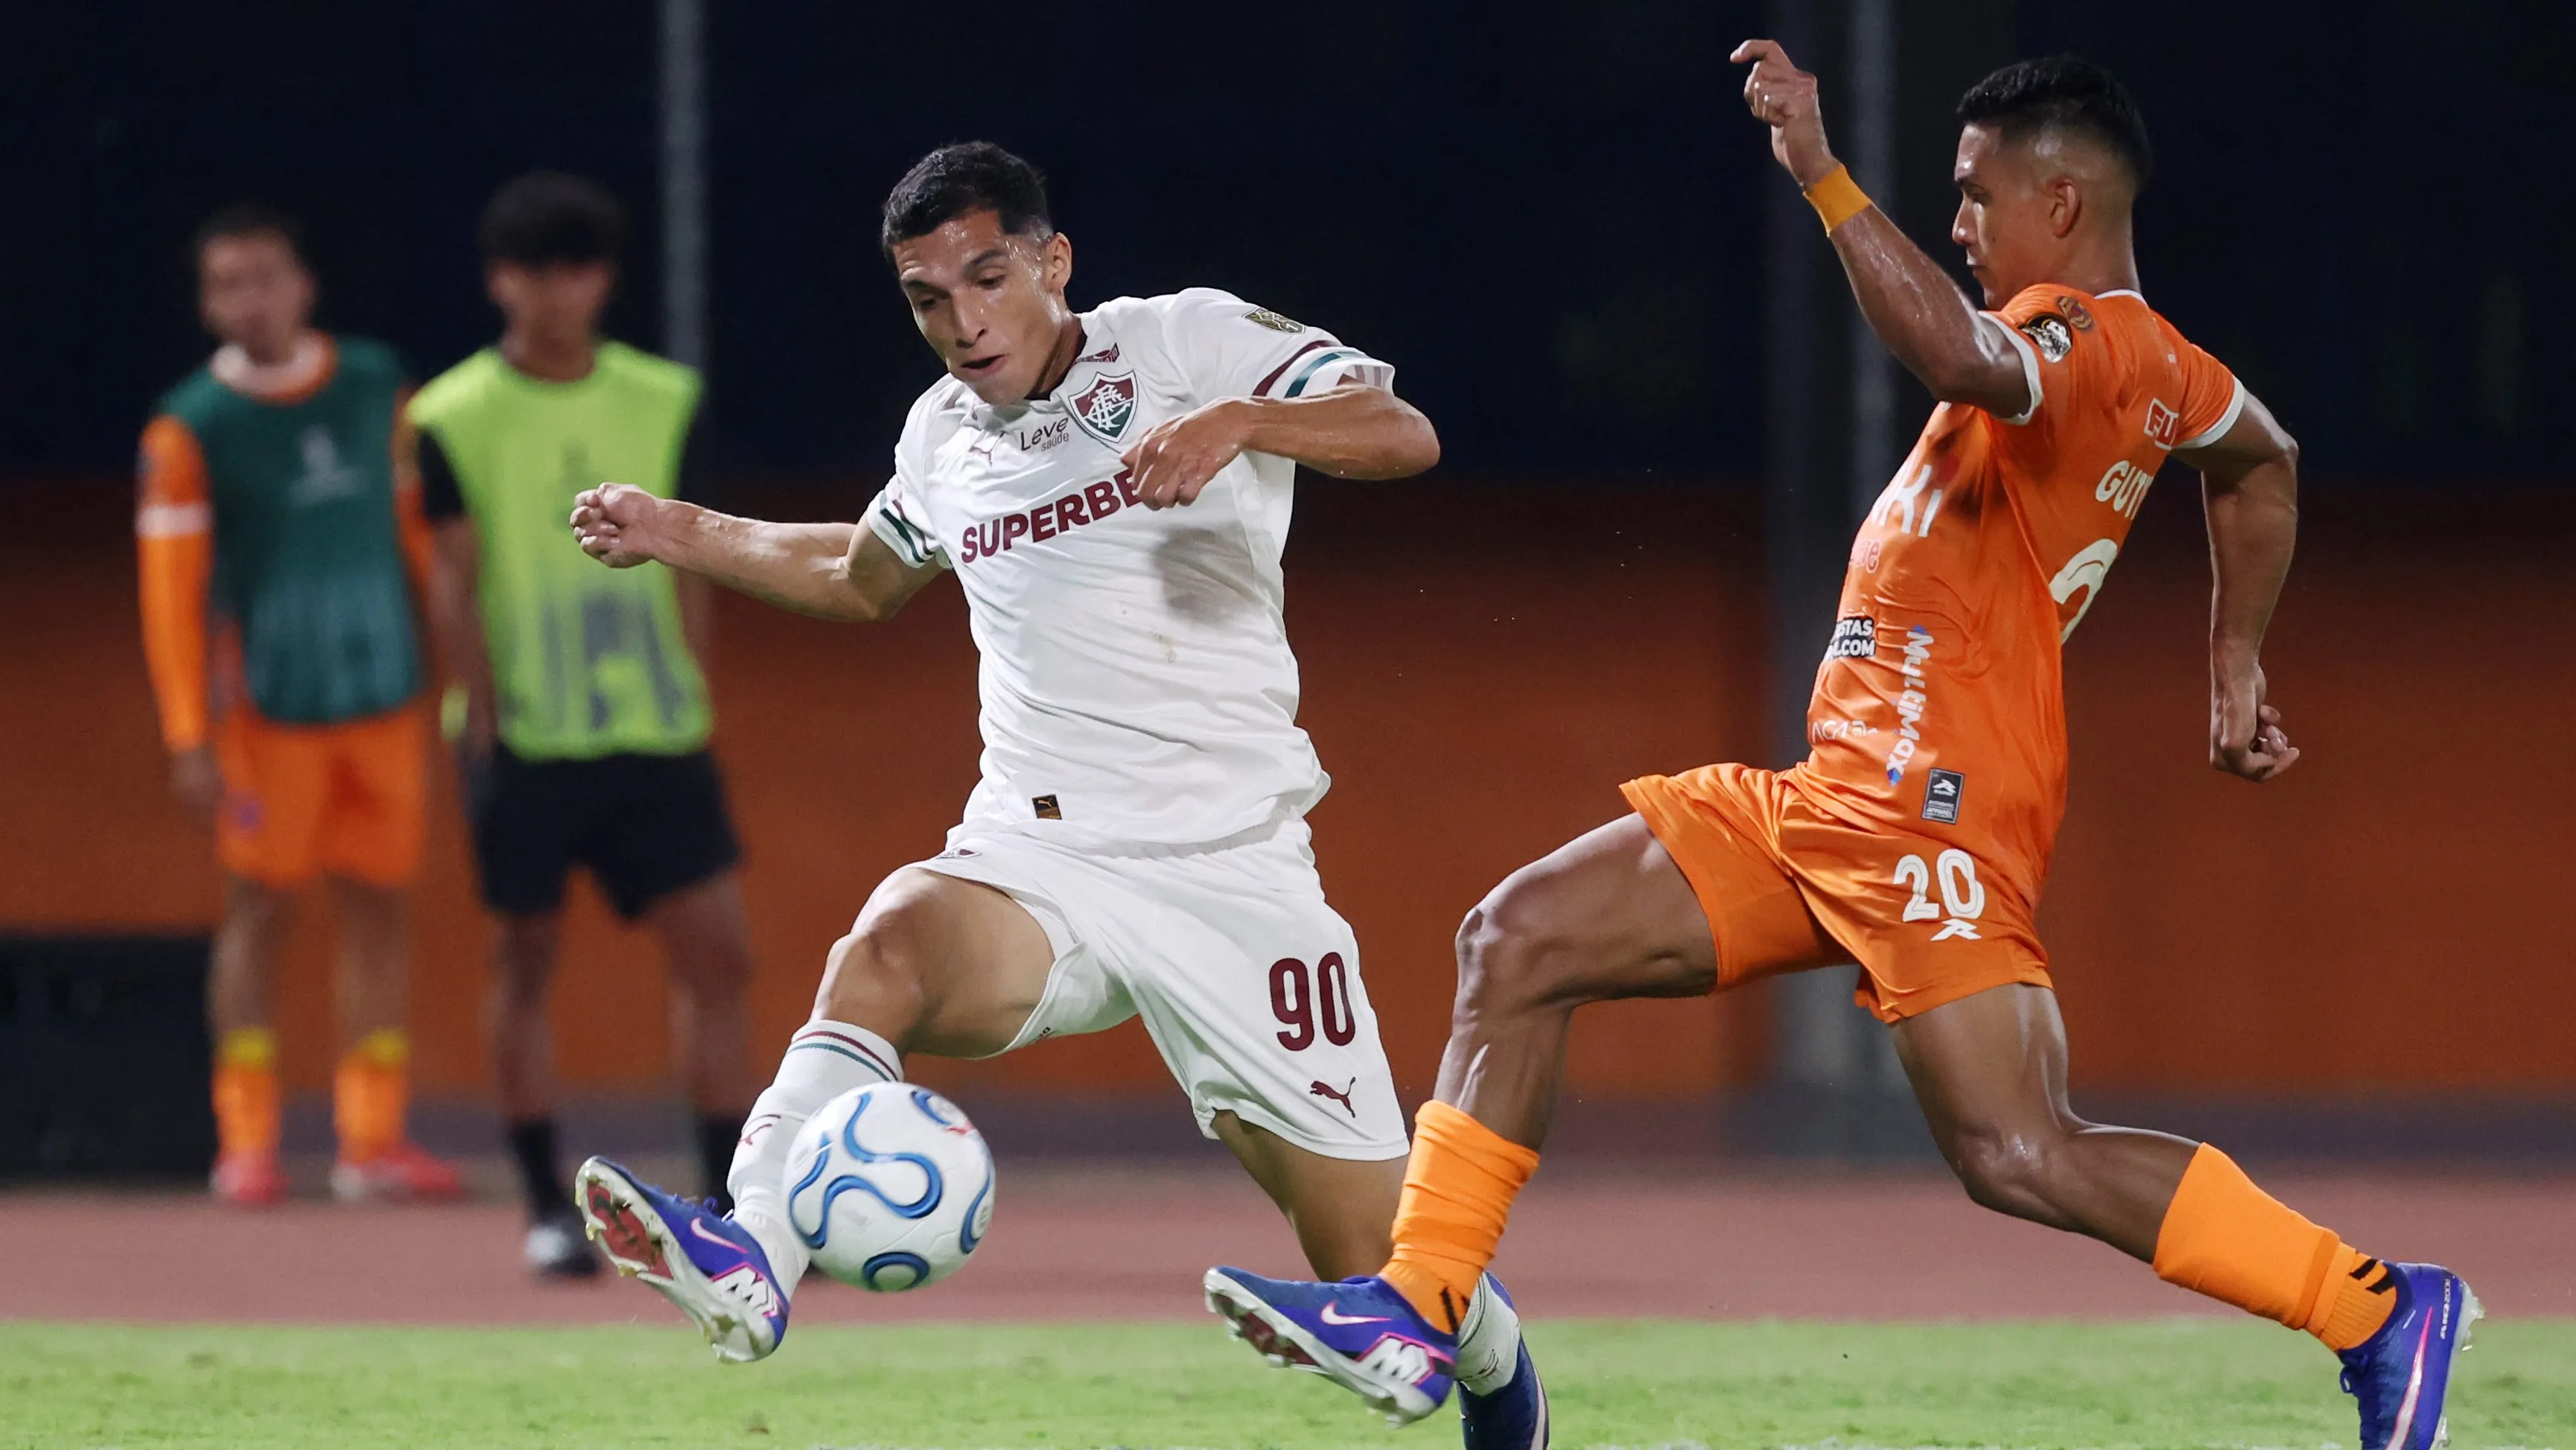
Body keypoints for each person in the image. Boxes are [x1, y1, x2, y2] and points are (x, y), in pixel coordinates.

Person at [1204, 49, 2477, 1450]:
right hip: (1836, 793)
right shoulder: (2171, 371)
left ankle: (2375, 1307)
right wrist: (2232, 660)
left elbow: (1957, 355)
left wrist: (1819, 168)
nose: (1962, 223)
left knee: (2019, 1149)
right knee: (1519, 940)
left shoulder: (2084, 338)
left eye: (1976, 194)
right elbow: (2266, 456)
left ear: (2062, 200)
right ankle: (1417, 1304)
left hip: (1936, 802)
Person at [563, 141, 1547, 1448]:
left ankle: (1500, 1382)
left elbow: (1402, 432)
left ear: (1052, 259)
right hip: (1040, 855)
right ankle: (752, 1250)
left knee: (1377, 1253)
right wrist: (682, 529)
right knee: (889, 943)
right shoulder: (942, 434)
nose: (963, 322)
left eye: (987, 277)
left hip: (1232, 871)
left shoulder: (1188, 341)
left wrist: (1245, 422)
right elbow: (864, 573)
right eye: (926, 297)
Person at [411, 173, 757, 1278]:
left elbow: (701, 552)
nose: (552, 293)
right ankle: (544, 1208)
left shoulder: (663, 397)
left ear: (601, 280)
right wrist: (476, 708)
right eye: (530, 271)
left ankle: (724, 1201)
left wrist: (697, 690)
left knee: (721, 957)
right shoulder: (448, 415)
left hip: (656, 737)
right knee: (523, 957)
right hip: (523, 745)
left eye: (574, 269)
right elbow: (451, 577)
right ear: (497, 280)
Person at [136, 205, 465, 1206]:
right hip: (268, 714)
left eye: (265, 277)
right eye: (228, 283)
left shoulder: (377, 388)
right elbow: (171, 588)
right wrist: (189, 733)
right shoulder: (191, 427)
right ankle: (247, 1137)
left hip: (382, 696)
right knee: (261, 910)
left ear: (303, 285)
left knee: (378, 907)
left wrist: (450, 674)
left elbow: (424, 539)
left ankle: (371, 1139)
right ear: (206, 304)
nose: (251, 299)